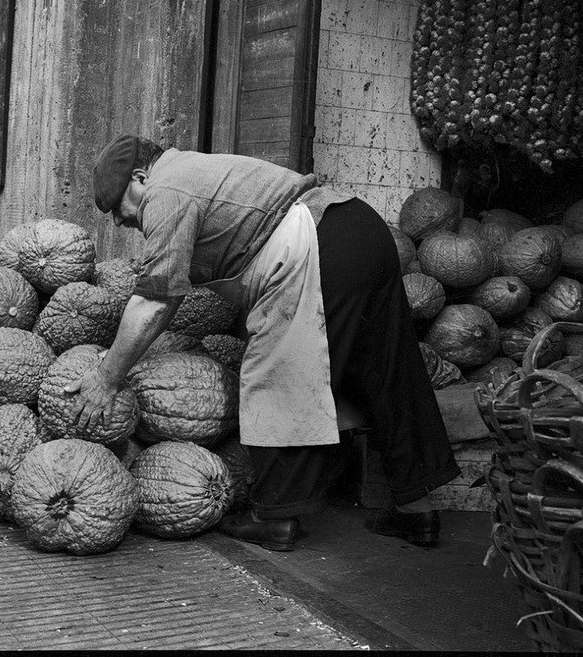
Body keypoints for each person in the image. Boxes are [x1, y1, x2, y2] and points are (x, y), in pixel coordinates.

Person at [67, 135, 461, 550]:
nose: (117, 221)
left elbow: (156, 299)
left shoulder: (167, 190)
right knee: (387, 369)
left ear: (141, 177)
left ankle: (274, 518)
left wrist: (107, 377)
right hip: (361, 230)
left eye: (117, 207)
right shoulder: (192, 171)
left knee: (278, 376)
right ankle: (417, 513)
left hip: (318, 243)